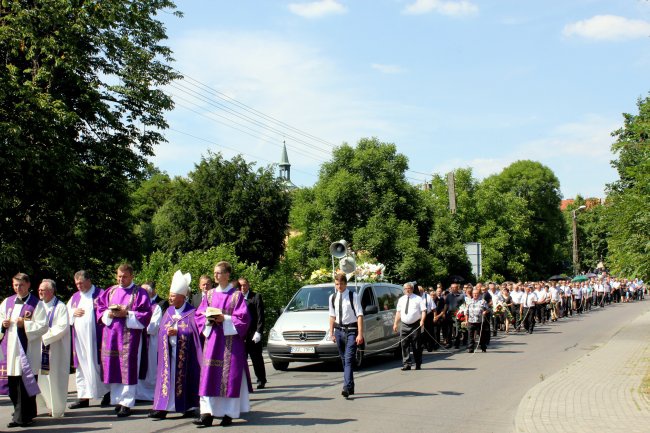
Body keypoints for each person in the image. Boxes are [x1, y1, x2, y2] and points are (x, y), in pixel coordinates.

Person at [194, 261, 252, 427]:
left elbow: (243, 319)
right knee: (209, 376)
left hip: (230, 343)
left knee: (229, 377)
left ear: (227, 275)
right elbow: (199, 315)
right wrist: (209, 318)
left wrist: (224, 319)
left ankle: (228, 414)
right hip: (213, 341)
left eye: (219, 273)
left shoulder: (236, 296)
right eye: (214, 273)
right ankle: (207, 414)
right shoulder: (210, 294)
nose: (216, 276)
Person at [97, 263, 152, 417]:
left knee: (127, 368)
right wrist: (108, 313)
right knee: (114, 366)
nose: (121, 279)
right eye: (119, 276)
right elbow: (100, 308)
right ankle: (118, 400)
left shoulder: (139, 293)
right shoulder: (111, 291)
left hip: (129, 337)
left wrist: (127, 314)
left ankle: (127, 402)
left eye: (124, 277)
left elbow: (146, 314)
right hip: (111, 335)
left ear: (132, 276)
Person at [149, 270, 202, 420]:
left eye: (173, 295)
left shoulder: (192, 313)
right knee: (167, 379)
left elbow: (195, 334)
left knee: (184, 380)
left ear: (182, 297)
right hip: (169, 355)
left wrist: (178, 332)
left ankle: (188, 406)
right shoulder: (168, 311)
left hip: (185, 357)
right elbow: (161, 331)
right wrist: (166, 332)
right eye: (170, 294)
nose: (170, 298)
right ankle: (163, 407)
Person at [0, 273, 48, 428]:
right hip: (10, 350)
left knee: (25, 384)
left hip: (27, 351)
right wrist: (3, 324)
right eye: (15, 285)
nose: (17, 288)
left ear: (28, 285)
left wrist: (25, 325)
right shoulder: (7, 302)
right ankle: (22, 413)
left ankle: (22, 417)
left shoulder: (36, 304)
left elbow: (43, 326)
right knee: (13, 386)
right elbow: (0, 319)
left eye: (20, 285)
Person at [67, 270, 110, 409]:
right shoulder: (74, 298)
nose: (78, 286)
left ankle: (107, 394)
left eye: (80, 282)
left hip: (97, 338)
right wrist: (73, 312)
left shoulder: (101, 294)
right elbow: (64, 313)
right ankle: (83, 397)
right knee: (81, 367)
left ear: (88, 280)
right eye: (76, 283)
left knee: (100, 365)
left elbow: (108, 312)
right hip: (80, 340)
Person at [36, 279, 71, 418]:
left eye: (42, 290)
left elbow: (62, 327)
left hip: (55, 350)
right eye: (39, 289)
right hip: (38, 348)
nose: (39, 292)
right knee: (41, 379)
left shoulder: (60, 307)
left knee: (55, 378)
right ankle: (44, 406)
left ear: (51, 291)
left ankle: (56, 409)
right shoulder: (38, 306)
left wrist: (44, 336)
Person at [328, 273, 364, 398]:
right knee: (344, 360)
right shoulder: (332, 297)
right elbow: (332, 316)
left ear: (345, 284)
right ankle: (351, 385)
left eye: (341, 284)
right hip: (339, 331)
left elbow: (359, 315)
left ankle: (346, 387)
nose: (339, 286)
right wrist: (331, 332)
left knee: (348, 359)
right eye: (337, 284)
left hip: (351, 330)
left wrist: (360, 334)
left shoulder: (353, 295)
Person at [136, 281, 164, 401]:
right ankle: (138, 393)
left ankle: (152, 394)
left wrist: (139, 324)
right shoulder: (137, 306)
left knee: (151, 367)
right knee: (138, 365)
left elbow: (153, 327)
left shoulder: (156, 307)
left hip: (150, 342)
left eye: (145, 292)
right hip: (138, 341)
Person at [239, 277, 267, 390]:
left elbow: (261, 316)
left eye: (244, 285)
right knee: (242, 359)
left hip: (253, 333)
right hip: (241, 334)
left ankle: (261, 380)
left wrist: (259, 332)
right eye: (240, 285)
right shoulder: (236, 298)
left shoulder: (255, 297)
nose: (242, 287)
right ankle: (244, 382)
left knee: (256, 359)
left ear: (248, 285)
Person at [393, 282, 426, 371]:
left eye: (409, 288)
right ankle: (407, 364)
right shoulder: (401, 299)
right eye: (406, 289)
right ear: (403, 290)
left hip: (415, 325)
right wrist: (395, 323)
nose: (407, 290)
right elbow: (398, 312)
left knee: (416, 345)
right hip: (404, 324)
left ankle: (418, 363)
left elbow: (423, 311)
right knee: (404, 345)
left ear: (412, 289)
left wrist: (422, 320)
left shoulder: (418, 299)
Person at [464, 287, 488, 353]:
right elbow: (466, 312)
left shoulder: (483, 301)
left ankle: (483, 347)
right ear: (472, 294)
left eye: (476, 293)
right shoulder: (469, 302)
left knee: (481, 335)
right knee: (470, 336)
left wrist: (485, 312)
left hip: (479, 321)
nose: (475, 295)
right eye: (474, 293)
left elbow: (487, 309)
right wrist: (466, 320)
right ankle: (471, 348)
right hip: (471, 321)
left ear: (479, 294)